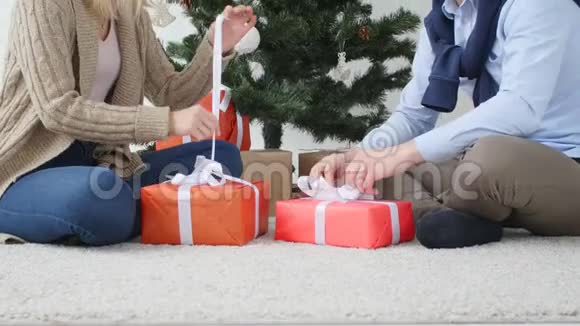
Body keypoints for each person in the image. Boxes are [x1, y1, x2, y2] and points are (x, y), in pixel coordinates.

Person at [311, 0, 580, 249]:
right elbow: (413, 116)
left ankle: (454, 208)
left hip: (566, 166)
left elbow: (519, 109)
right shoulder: (443, 22)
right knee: (378, 172)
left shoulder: (536, 4)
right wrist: (358, 157)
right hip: (486, 175)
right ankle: (445, 218)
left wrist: (401, 155)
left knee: (488, 156)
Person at [0, 0, 257, 245]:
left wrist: (216, 46)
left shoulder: (128, 12)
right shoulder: (43, 4)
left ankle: (128, 211)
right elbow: (57, 109)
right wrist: (166, 122)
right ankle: (158, 209)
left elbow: (170, 93)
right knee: (100, 196)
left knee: (222, 161)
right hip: (28, 168)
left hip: (105, 162)